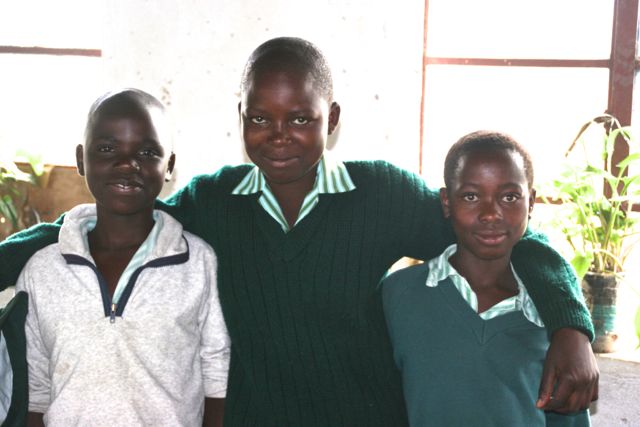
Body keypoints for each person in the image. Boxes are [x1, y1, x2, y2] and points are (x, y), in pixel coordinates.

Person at [0, 38, 596, 426]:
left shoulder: (380, 193)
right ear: (241, 120)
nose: (278, 134)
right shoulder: (215, 200)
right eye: (260, 117)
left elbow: (501, 231)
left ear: (330, 120)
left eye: (300, 118)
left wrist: (571, 326)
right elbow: (101, 225)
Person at [14, 89, 230, 426]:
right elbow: (35, 388)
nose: (127, 164)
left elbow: (217, 375)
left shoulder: (198, 263)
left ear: (169, 164)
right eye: (107, 149)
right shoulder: (43, 270)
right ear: (81, 159)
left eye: (146, 152)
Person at [382, 131, 591, 426]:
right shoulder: (398, 294)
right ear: (446, 202)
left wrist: (572, 335)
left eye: (509, 197)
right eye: (471, 196)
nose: (491, 214)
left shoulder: (555, 314)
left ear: (530, 202)